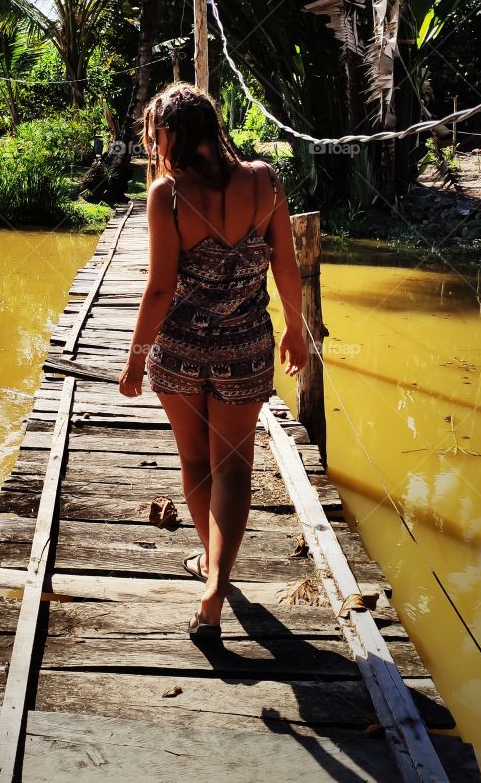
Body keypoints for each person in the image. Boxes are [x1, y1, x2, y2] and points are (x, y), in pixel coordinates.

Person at [118, 81, 308, 640]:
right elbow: (288, 268)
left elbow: (158, 291)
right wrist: (296, 330)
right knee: (234, 467)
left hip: (179, 351)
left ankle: (212, 572)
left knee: (196, 462)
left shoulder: (167, 195)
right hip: (245, 349)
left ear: (172, 135)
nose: (154, 143)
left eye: (156, 134)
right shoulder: (267, 182)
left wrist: (135, 359)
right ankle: (216, 583)